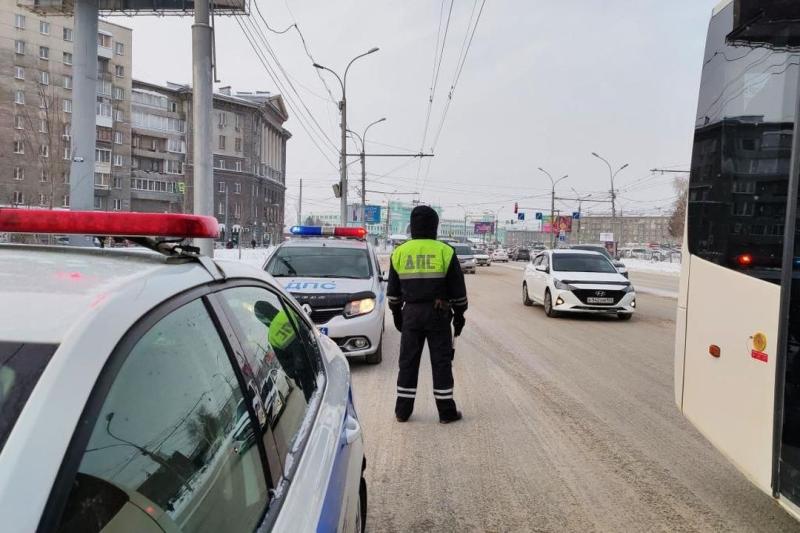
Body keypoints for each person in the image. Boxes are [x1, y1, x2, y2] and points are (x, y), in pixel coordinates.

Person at [386, 205, 468, 424]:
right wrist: (460, 314)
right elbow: (458, 289)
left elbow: (393, 292)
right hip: (438, 313)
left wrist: (396, 313)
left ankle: (402, 411)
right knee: (441, 362)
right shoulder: (445, 251)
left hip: (411, 313)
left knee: (408, 362)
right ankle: (446, 412)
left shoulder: (400, 252)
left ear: (412, 226)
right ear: (435, 225)